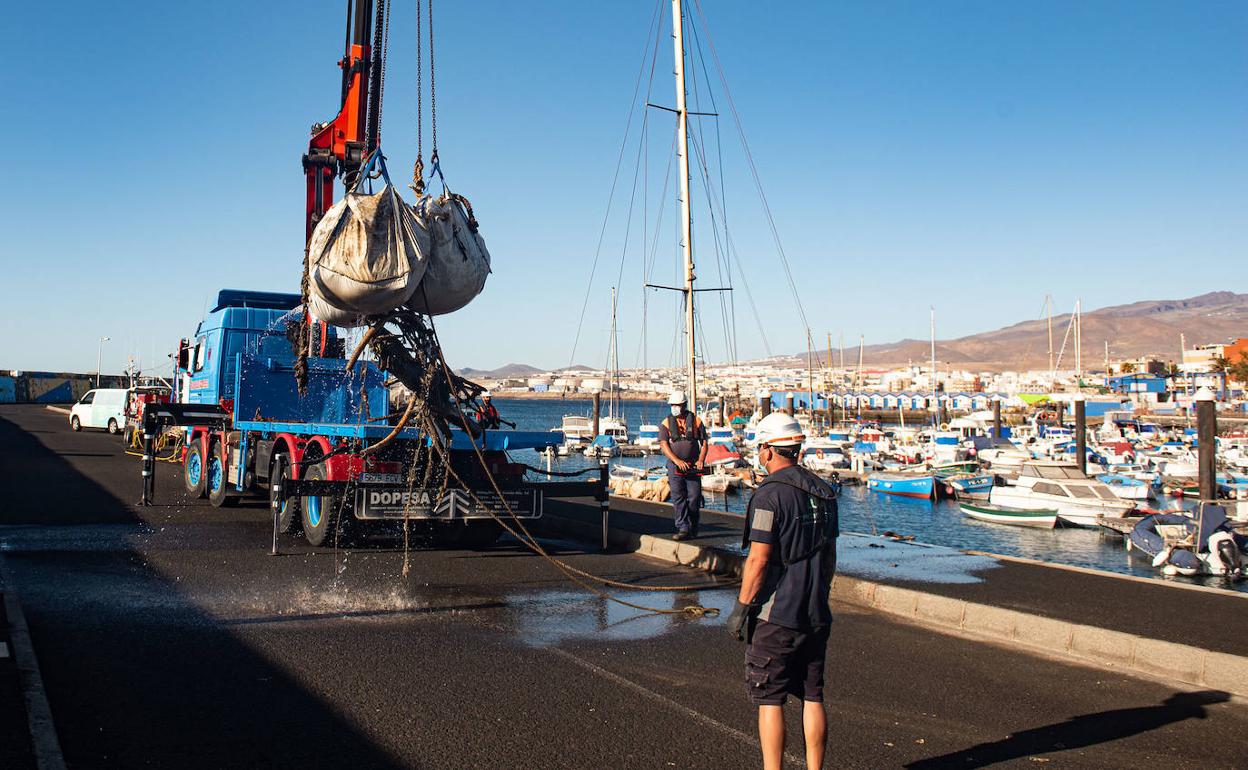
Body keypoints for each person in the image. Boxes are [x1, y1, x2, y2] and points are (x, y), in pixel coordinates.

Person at [727, 412, 839, 770]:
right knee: (812, 694)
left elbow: (758, 560)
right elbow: (830, 558)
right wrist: (818, 595)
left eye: (760, 448)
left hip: (777, 615)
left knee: (771, 698)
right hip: (816, 612)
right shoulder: (825, 493)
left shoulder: (768, 497)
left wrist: (741, 609)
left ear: (768, 450)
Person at [658, 390, 708, 540]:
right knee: (678, 497)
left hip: (693, 465)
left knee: (694, 496)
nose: (674, 407)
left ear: (684, 405)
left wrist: (701, 459)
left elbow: (704, 442)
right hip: (675, 466)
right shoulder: (666, 423)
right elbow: (664, 444)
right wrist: (677, 460)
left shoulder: (696, 421)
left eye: (677, 405)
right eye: (672, 405)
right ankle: (683, 528)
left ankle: (693, 525)